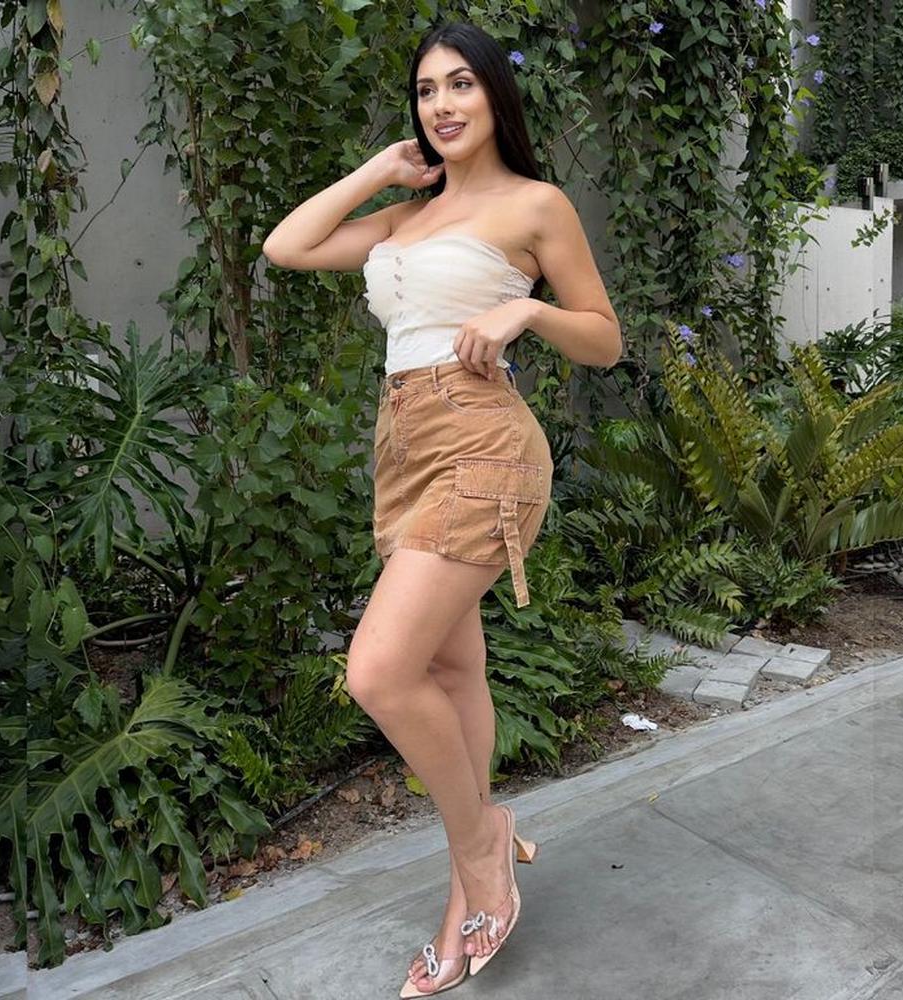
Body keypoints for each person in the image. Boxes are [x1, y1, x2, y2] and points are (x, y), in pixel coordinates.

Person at [262, 21, 621, 996]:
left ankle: (482, 848)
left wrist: (527, 310)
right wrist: (382, 169)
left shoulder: (535, 205)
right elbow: (287, 246)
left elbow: (604, 338)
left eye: (461, 84)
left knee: (379, 669)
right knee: (453, 670)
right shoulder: (403, 217)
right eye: (426, 91)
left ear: (495, 94)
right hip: (404, 449)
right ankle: (467, 890)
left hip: (481, 441)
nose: (442, 105)